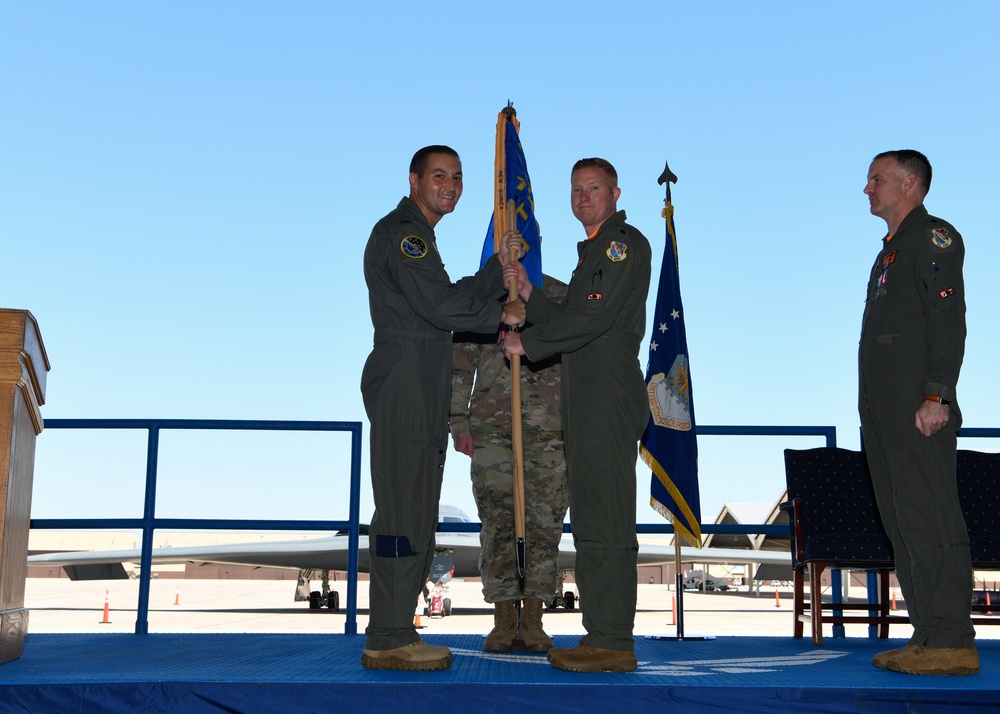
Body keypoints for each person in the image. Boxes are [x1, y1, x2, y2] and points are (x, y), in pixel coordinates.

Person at [360, 145, 525, 671]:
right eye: (439, 175)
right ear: (414, 179)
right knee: (404, 510)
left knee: (416, 510)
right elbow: (442, 307)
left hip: (420, 377)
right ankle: (388, 635)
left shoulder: (422, 237)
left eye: (457, 177)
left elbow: (445, 304)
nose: (450, 185)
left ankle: (394, 628)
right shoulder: (405, 234)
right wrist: (501, 290)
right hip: (407, 376)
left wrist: (494, 277)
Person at [503, 158, 651, 672]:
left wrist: (529, 340)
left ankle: (613, 640)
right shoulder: (591, 254)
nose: (583, 197)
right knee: (590, 520)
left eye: (594, 188)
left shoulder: (621, 243)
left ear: (614, 192)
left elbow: (593, 317)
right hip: (586, 392)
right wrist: (527, 293)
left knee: (606, 520)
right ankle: (601, 634)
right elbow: (573, 316)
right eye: (576, 189)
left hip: (606, 391)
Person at [859, 149, 977, 676]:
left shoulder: (933, 237)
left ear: (910, 183)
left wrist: (937, 393)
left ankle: (952, 637)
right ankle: (928, 635)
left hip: (917, 404)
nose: (867, 188)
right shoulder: (891, 251)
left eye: (876, 179)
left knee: (929, 516)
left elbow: (947, 318)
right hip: (884, 409)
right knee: (902, 521)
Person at [450, 274, 570, 654]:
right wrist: (458, 422)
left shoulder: (558, 296)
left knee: (544, 523)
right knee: (498, 521)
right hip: (491, 431)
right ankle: (503, 619)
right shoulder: (482, 298)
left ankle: (533, 617)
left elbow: (578, 350)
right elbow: (459, 368)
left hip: (549, 432)